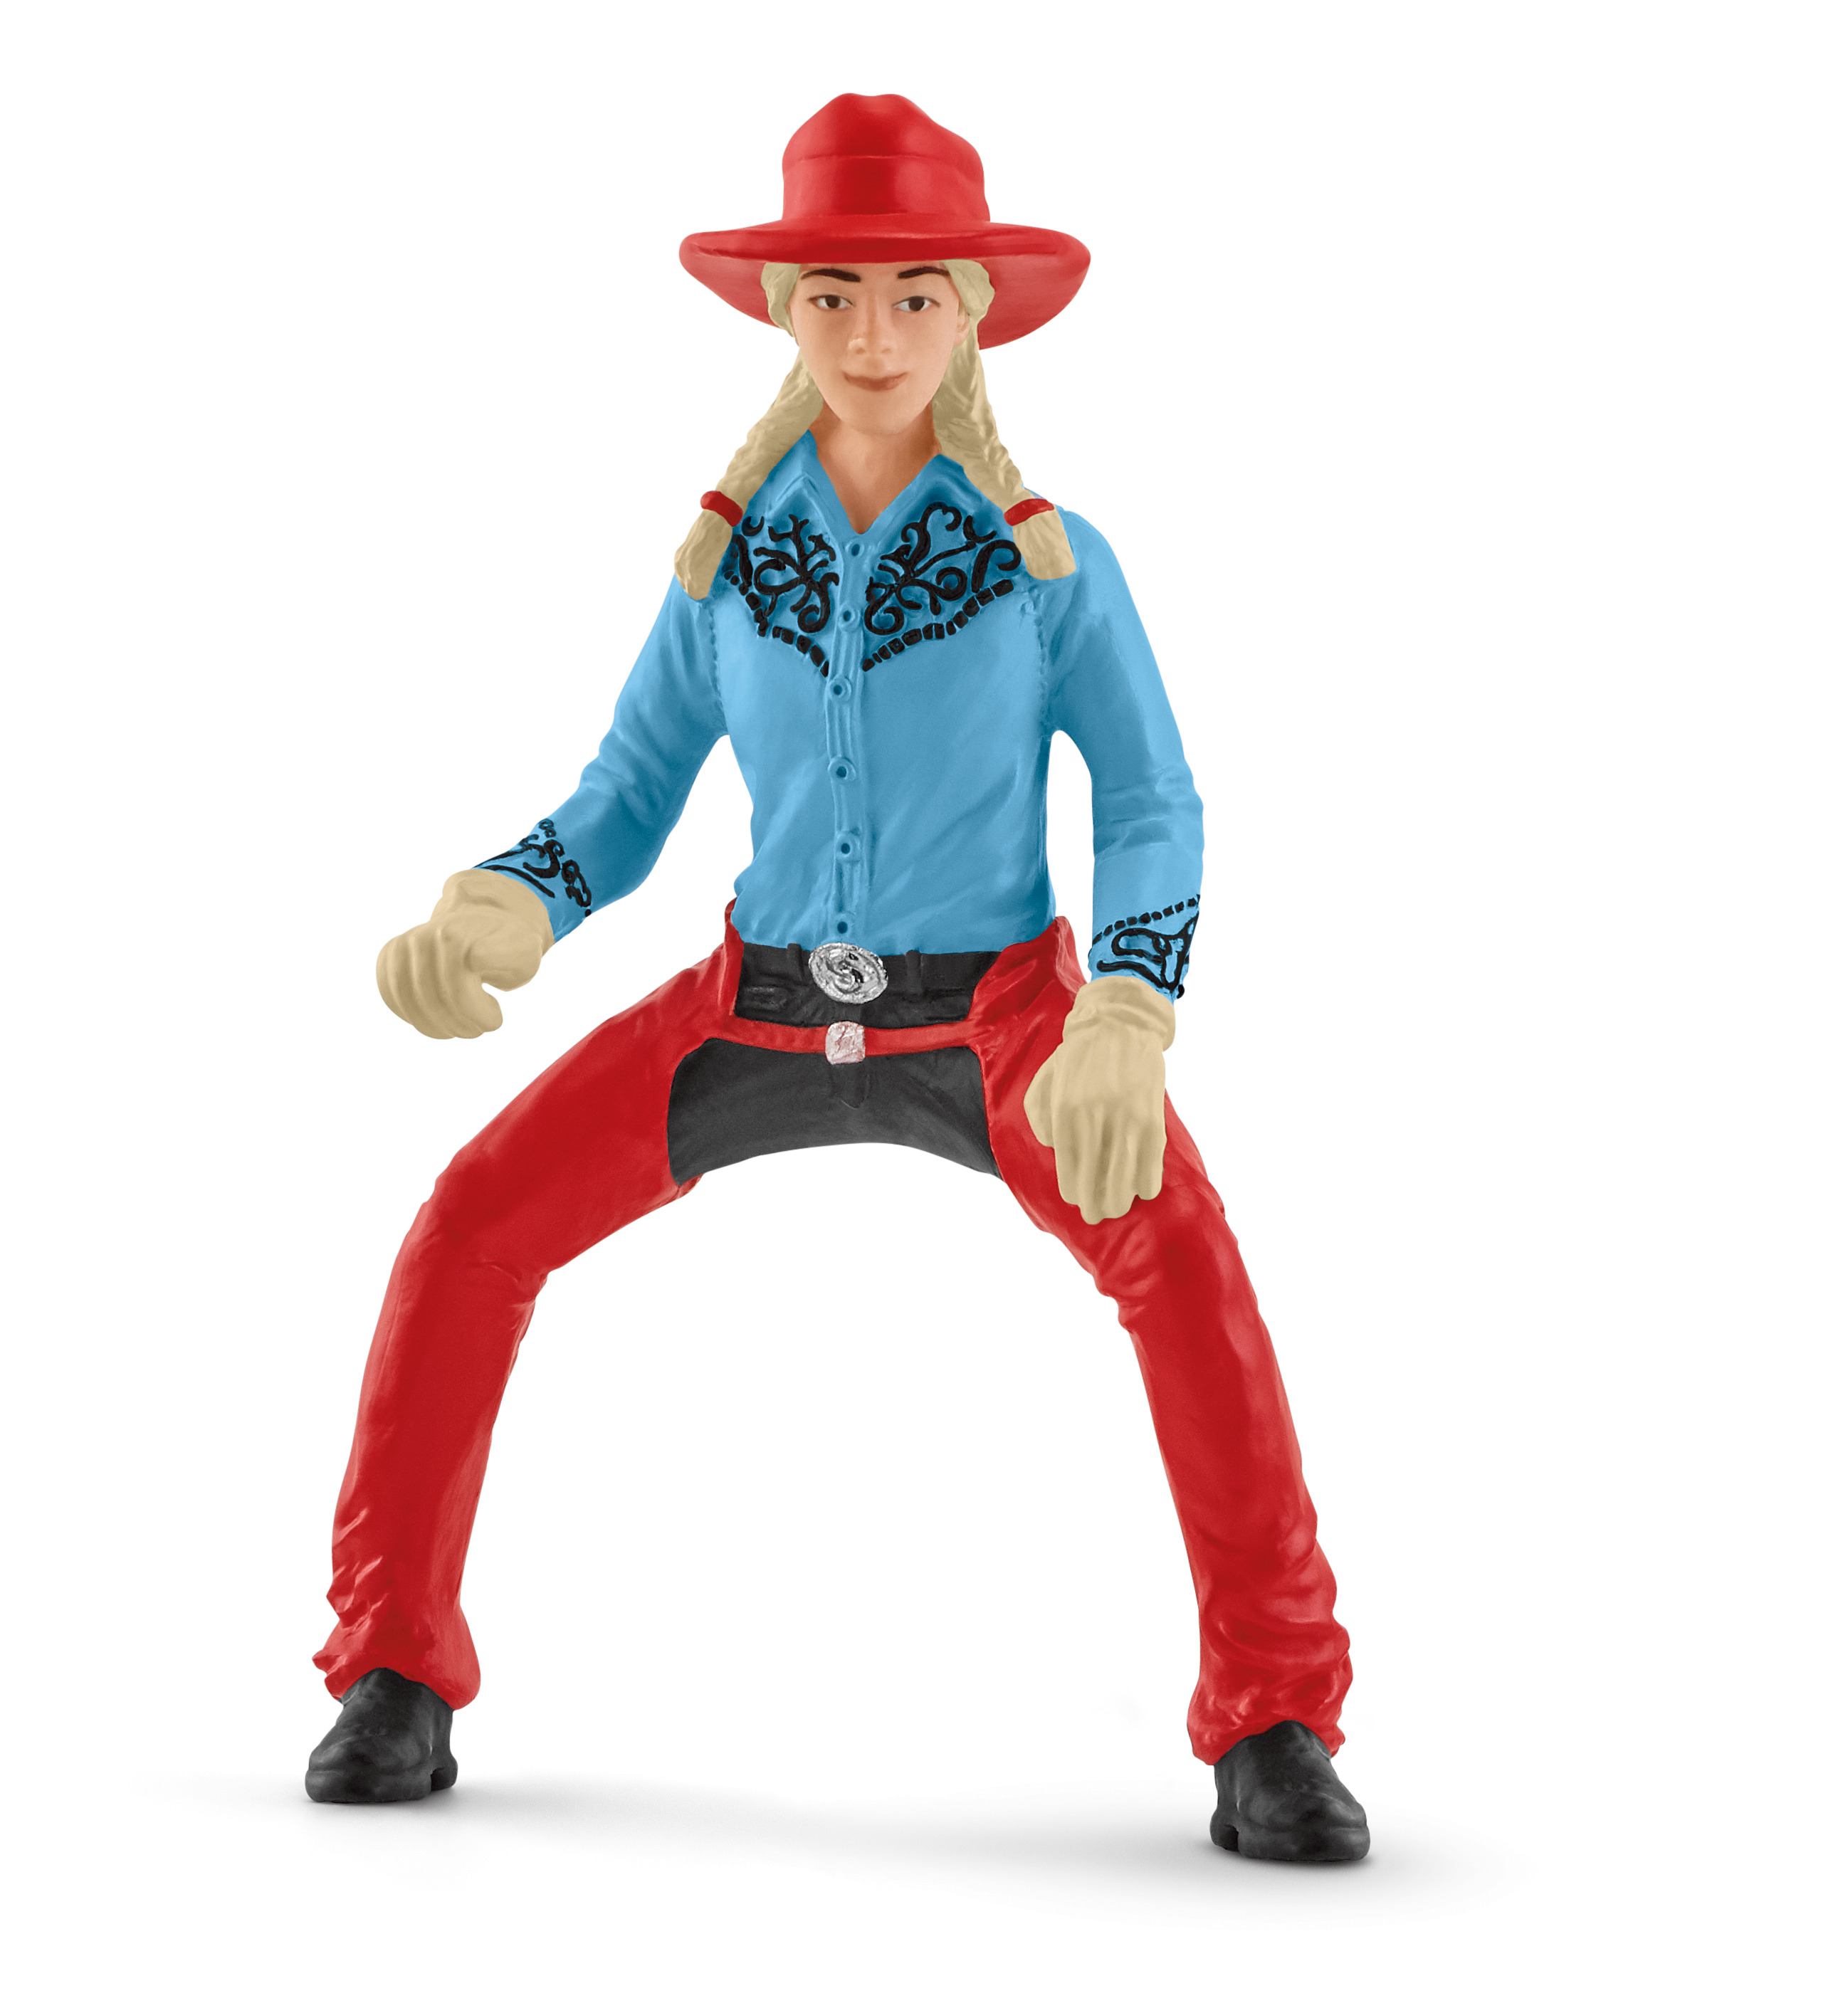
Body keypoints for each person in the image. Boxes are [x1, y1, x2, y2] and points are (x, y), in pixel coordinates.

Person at [305, 93, 1369, 1864]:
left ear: (969, 315)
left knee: (1180, 1258)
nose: (872, 336)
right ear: (783, 315)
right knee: (471, 1225)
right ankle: (389, 1667)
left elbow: (1153, 801)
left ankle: (1274, 1713)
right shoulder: (724, 564)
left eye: (911, 297)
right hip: (757, 1007)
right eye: (835, 298)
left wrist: (1126, 1009)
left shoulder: (1050, 561)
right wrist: (507, 901)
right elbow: (628, 792)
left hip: (1000, 1021)